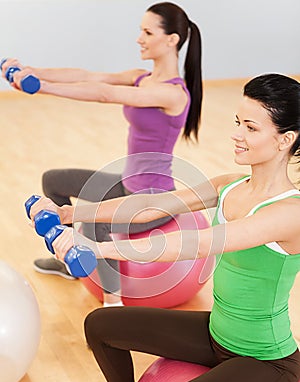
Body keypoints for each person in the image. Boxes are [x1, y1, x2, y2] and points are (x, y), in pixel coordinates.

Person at [28, 72, 300, 382]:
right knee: (102, 325)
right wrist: (71, 215)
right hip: (217, 333)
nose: (237, 134)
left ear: (285, 139)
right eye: (238, 122)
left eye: (251, 127)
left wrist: (101, 249)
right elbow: (149, 207)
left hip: (264, 362)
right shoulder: (229, 185)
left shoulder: (290, 212)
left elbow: (200, 243)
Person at [2, 1, 203, 307]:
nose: (139, 38)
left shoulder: (173, 93)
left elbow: (105, 94)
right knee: (53, 181)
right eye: (140, 31)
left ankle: (113, 306)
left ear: (171, 40)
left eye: (148, 32)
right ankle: (68, 258)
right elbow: (89, 76)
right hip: (126, 183)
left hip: (153, 199)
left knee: (97, 223)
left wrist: (41, 88)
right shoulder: (141, 77)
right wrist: (32, 71)